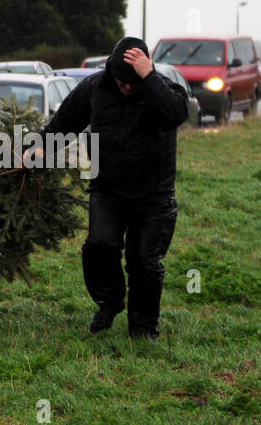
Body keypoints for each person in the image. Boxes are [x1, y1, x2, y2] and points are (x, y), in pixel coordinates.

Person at [39, 36, 188, 338]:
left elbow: (177, 114)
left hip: (154, 196)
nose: (128, 87)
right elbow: (63, 123)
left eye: (134, 81)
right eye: (123, 81)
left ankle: (144, 329)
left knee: (144, 262)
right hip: (107, 190)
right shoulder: (95, 89)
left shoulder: (162, 90)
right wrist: (36, 150)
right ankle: (110, 301)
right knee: (99, 247)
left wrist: (149, 77)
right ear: (112, 72)